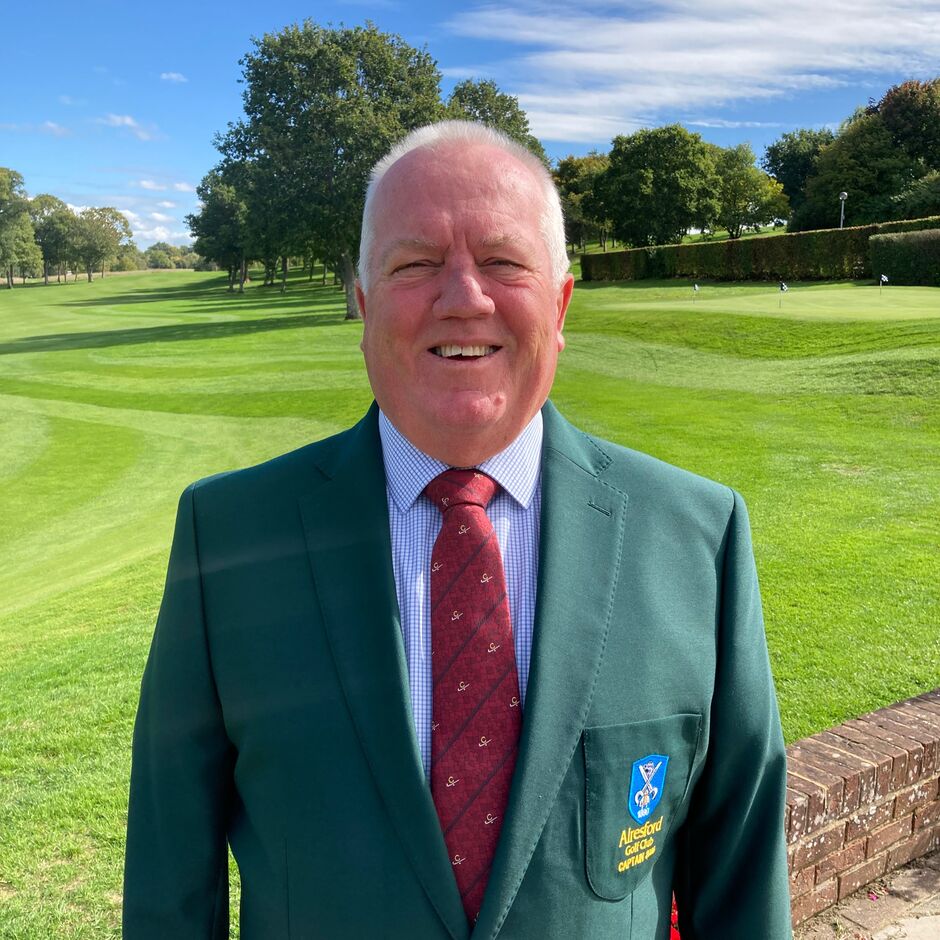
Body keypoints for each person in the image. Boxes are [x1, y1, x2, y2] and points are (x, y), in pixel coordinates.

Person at [124, 121, 792, 939]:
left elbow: (741, 882)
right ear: (363, 303)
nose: (464, 297)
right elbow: (169, 883)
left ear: (561, 303)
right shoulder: (227, 538)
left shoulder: (697, 535)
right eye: (414, 264)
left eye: (504, 261)